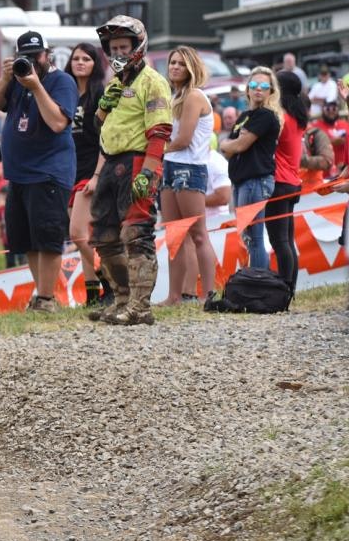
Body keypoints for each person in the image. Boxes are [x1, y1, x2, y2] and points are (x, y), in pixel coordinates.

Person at [0, 29, 78, 314]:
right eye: (25, 57)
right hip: (20, 174)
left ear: (47, 55)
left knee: (48, 239)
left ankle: (48, 298)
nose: (32, 62)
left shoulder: (61, 81)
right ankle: (41, 295)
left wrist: (36, 86)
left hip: (48, 172)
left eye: (36, 56)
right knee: (28, 241)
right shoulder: (15, 80)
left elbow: (58, 123)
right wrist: (5, 78)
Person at [86, 16, 172, 324]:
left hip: (137, 160)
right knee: (104, 236)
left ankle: (141, 306)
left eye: (124, 46)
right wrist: (102, 107)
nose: (118, 53)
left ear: (138, 46)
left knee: (137, 234)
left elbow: (160, 130)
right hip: (111, 161)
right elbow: (99, 124)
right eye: (113, 48)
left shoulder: (153, 81)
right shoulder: (114, 83)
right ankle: (121, 299)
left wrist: (149, 171)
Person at [159, 46, 216, 305]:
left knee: (198, 234)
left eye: (181, 64)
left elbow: (183, 139)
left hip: (190, 167)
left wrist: (156, 151)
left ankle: (208, 294)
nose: (175, 67)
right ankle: (174, 295)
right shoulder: (177, 96)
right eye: (172, 63)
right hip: (171, 166)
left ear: (191, 67)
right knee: (174, 236)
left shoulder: (194, 96)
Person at [219, 66, 282, 270]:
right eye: (254, 85)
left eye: (264, 86)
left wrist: (231, 144)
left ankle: (259, 282)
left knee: (254, 237)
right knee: (248, 237)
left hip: (256, 181)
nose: (258, 89)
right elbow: (227, 149)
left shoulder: (266, 115)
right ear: (247, 89)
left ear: (270, 91)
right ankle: (256, 280)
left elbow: (238, 145)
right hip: (241, 181)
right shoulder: (244, 115)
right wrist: (230, 144)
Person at [63, 42, 107, 304]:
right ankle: (92, 294)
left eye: (86, 59)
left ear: (95, 64)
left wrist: (98, 176)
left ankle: (112, 281)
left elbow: (107, 139)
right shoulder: (66, 94)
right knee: (85, 239)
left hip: (91, 170)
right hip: (69, 170)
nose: (80, 63)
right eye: (76, 58)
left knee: (78, 233)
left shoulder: (100, 95)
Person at [267, 70, 309, 293]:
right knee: (287, 241)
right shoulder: (299, 115)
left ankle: (284, 290)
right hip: (292, 181)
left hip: (279, 182)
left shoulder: (280, 115)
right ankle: (289, 288)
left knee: (280, 241)